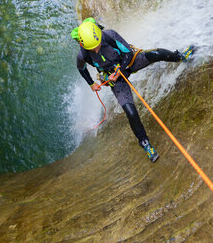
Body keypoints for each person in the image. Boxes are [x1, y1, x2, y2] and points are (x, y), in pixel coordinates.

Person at [72, 18, 195, 163]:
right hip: (115, 79)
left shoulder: (109, 35)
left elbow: (128, 53)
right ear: (82, 45)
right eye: (93, 48)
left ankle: (179, 56)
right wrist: (91, 83)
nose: (96, 49)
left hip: (128, 62)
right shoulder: (83, 55)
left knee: (156, 54)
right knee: (130, 112)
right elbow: (82, 69)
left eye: (98, 44)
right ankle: (145, 143)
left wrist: (119, 70)